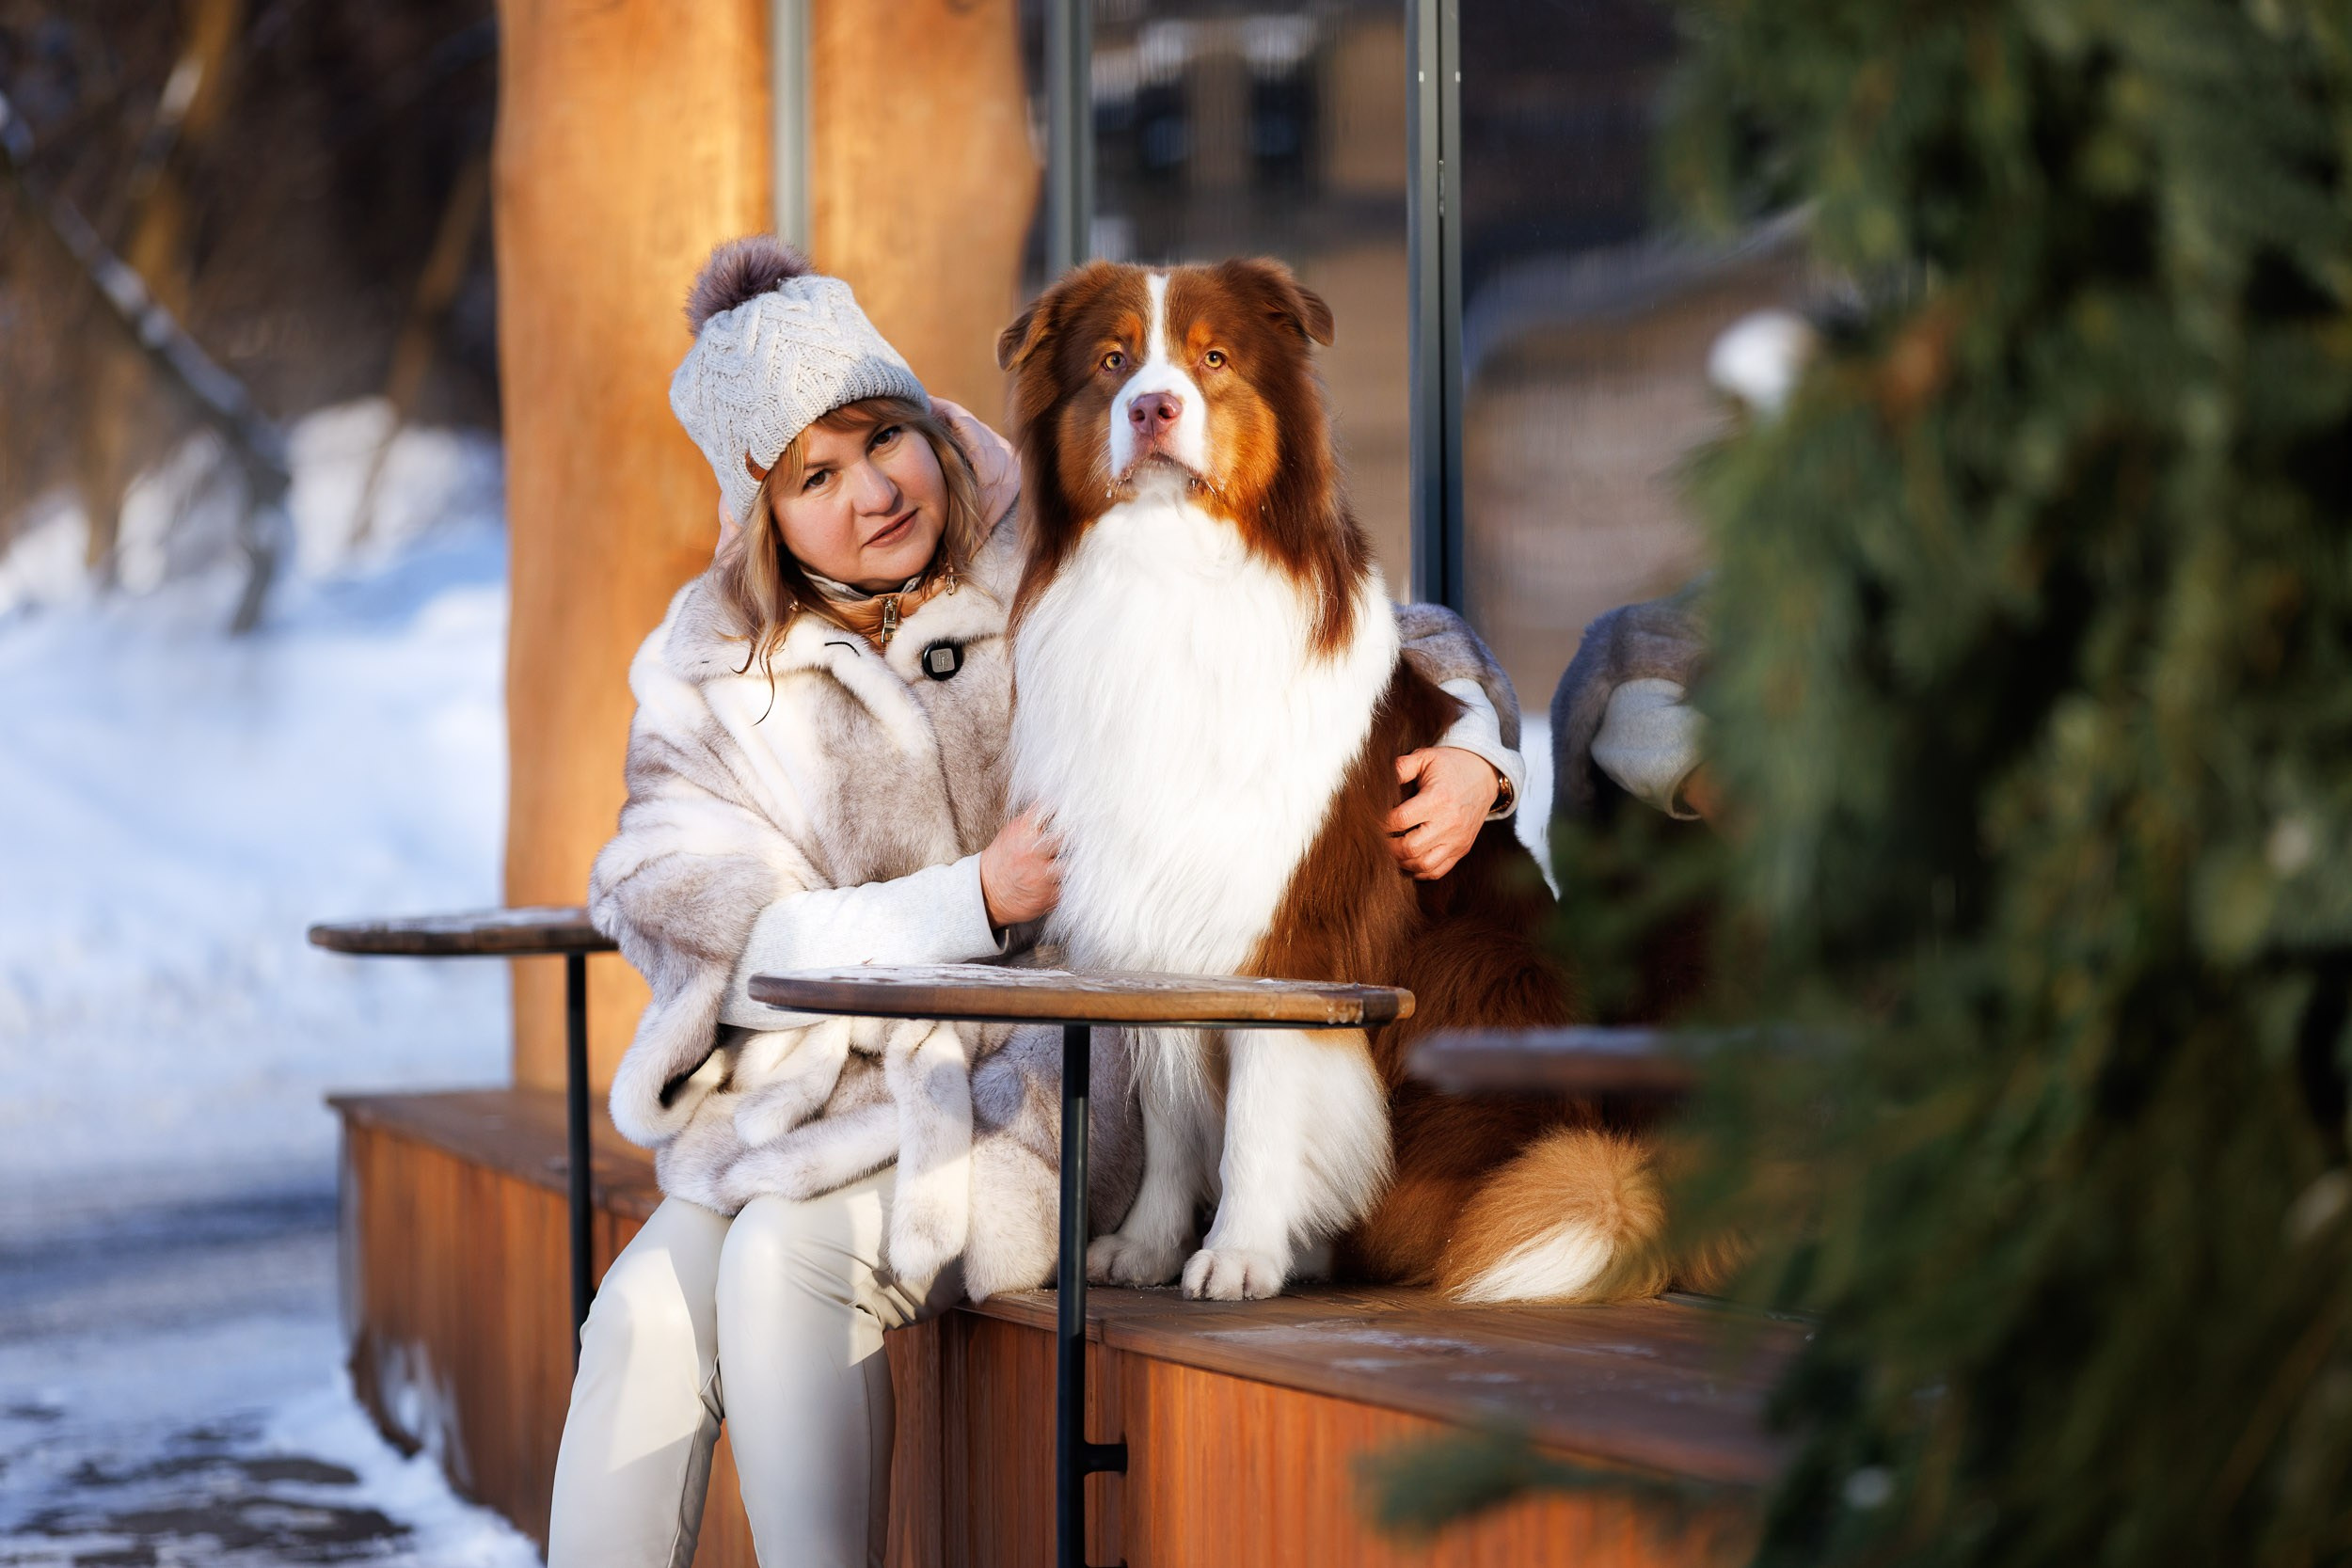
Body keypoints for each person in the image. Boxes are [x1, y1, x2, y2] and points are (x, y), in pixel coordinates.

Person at [547, 235, 1529, 1568]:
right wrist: (972, 900)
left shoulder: (1054, 539)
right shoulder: (711, 681)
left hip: (1043, 1095)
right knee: (645, 1316)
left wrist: (1477, 744)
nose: (872, 493)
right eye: (813, 477)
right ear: (758, 513)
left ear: (925, 424)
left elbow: (1362, 630)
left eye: (882, 438)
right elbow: (724, 935)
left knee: (787, 1269)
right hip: (807, 1102)